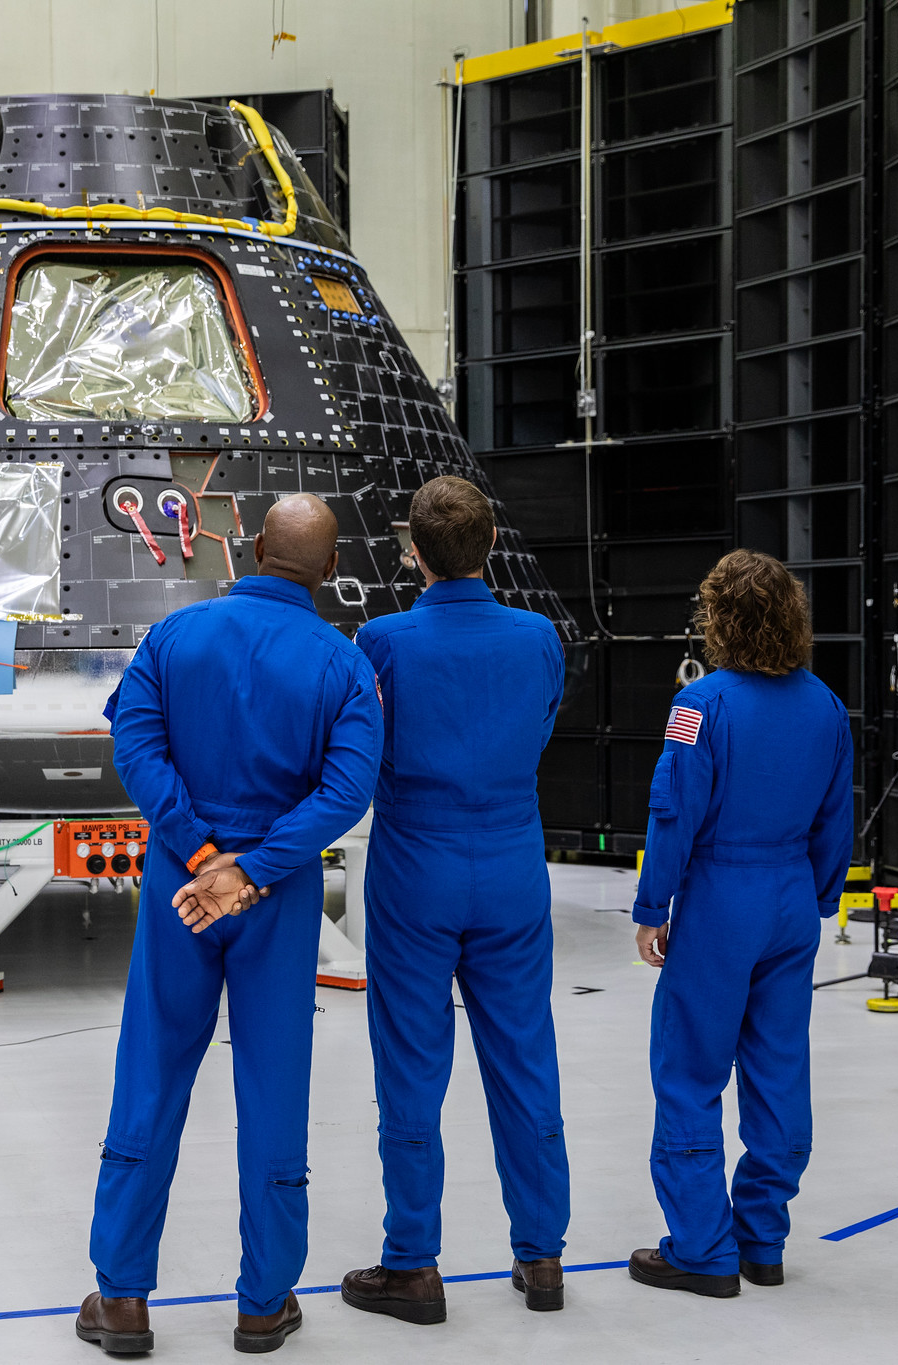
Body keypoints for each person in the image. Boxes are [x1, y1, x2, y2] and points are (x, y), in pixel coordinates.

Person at [78, 492, 383, 1357]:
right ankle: (264, 1299)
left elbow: (136, 748)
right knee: (274, 1084)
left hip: (181, 886)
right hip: (275, 895)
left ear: (249, 549)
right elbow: (347, 791)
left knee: (152, 1072)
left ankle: (123, 1298)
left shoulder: (175, 636)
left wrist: (200, 849)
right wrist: (251, 867)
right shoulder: (343, 662)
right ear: (330, 568)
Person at [335, 476, 570, 1326]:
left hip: (416, 865)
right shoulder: (540, 637)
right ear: (493, 543)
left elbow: (364, 741)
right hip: (511, 859)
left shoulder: (383, 639)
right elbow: (542, 724)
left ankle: (412, 1263)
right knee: (523, 1055)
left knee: (410, 1060)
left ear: (412, 553)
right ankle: (541, 1255)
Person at [627, 549, 853, 1298]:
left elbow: (674, 811)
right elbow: (836, 816)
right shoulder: (824, 704)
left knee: (690, 1069)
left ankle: (700, 1247)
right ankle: (762, 1238)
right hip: (791, 897)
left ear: (718, 619)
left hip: (723, 896)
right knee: (779, 1067)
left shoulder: (702, 705)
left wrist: (653, 905)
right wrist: (819, 898)